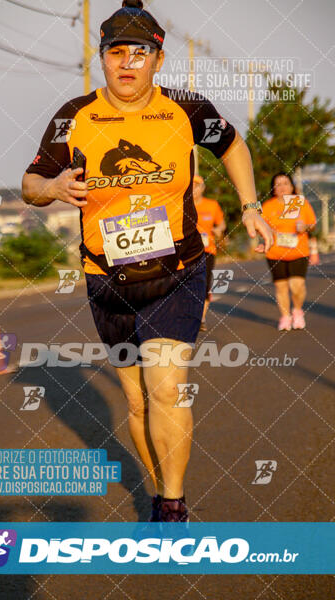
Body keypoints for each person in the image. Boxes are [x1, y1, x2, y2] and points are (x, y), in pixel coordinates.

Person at [22, 0, 273, 522]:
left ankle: (173, 504)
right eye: (117, 51)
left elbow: (233, 146)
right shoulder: (75, 115)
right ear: (103, 58)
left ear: (158, 59)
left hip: (177, 270)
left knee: (168, 386)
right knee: (137, 403)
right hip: (105, 277)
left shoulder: (187, 108)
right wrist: (53, 184)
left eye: (141, 51)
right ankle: (159, 489)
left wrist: (250, 206)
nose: (128, 61)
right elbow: (30, 184)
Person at [262, 172, 316, 331]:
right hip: (275, 252)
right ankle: (285, 317)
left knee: (296, 285)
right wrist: (266, 233)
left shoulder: (300, 203)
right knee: (281, 287)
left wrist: (304, 227)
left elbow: (312, 224)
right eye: (278, 184)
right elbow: (261, 228)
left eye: (285, 183)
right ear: (273, 188)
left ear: (292, 186)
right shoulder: (268, 206)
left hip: (298, 251)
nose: (282, 187)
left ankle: (297, 310)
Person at [193, 175, 226, 331]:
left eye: (197, 185)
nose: (194, 188)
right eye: (191, 185)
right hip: (186, 251)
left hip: (207, 250)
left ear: (203, 188)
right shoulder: (182, 205)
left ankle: (201, 319)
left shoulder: (212, 205)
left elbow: (221, 224)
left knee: (204, 284)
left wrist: (218, 230)